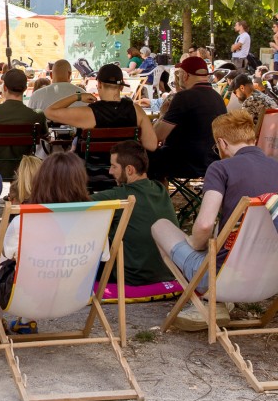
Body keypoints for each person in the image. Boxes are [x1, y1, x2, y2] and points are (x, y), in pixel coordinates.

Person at [151, 111, 278, 330]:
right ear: (252, 139)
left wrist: (193, 244)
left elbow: (204, 225)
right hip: (269, 280)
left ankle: (205, 303)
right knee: (225, 227)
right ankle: (215, 305)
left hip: (222, 280)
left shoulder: (221, 168)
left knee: (160, 226)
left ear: (221, 143)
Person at [0, 152, 108, 334]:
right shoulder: (97, 222)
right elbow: (104, 256)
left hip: (25, 300)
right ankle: (25, 322)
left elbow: (5, 256)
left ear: (41, 181)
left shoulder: (23, 222)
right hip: (74, 297)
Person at [45, 64, 157, 190]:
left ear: (99, 85)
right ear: (121, 87)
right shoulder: (136, 111)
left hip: (91, 176)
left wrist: (78, 96)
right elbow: (152, 145)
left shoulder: (89, 114)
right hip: (126, 175)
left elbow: (49, 112)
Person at [91, 141, 179, 286]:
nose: (110, 171)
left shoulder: (118, 195)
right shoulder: (160, 189)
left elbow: (73, 204)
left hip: (132, 279)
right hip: (168, 274)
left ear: (130, 170)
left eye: (114, 166)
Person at [148, 56, 227, 182]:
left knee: (142, 157)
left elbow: (157, 136)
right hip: (213, 161)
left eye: (179, 74)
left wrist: (163, 113)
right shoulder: (218, 98)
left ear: (185, 75)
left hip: (185, 163)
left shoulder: (183, 97)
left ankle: (160, 199)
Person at [0, 69, 48, 180]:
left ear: (4, 88)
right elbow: (44, 136)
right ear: (25, 89)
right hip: (23, 169)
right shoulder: (37, 115)